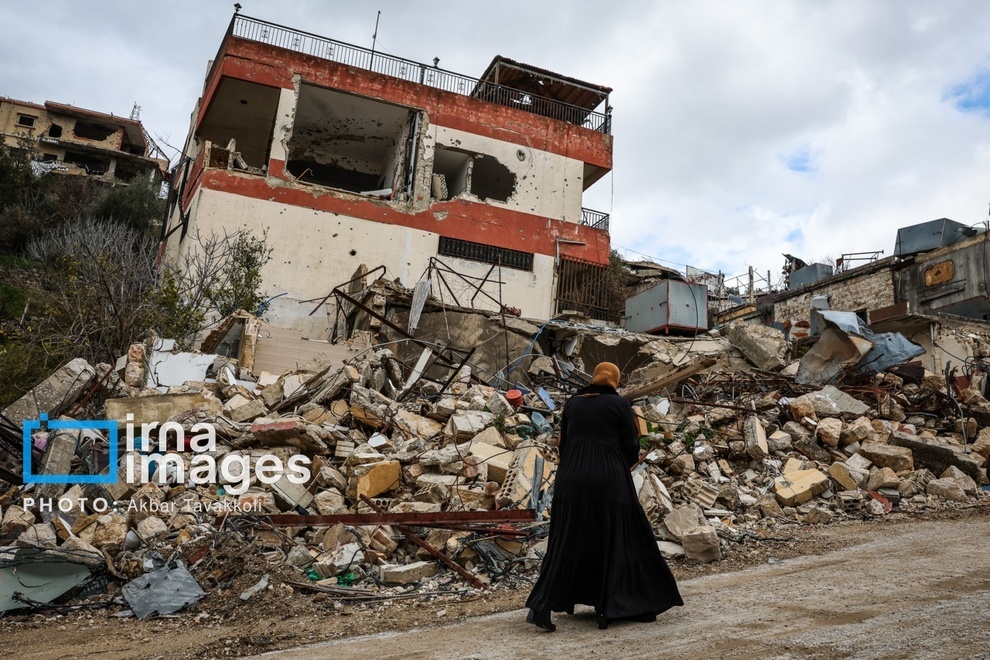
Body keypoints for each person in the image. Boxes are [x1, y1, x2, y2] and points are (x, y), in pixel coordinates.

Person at [525, 362, 683, 632]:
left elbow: (563, 443)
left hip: (571, 479)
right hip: (608, 479)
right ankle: (609, 607)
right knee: (618, 538)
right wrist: (618, 464)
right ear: (614, 380)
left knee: (565, 541)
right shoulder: (620, 404)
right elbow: (631, 445)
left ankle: (540, 607)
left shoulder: (573, 404)